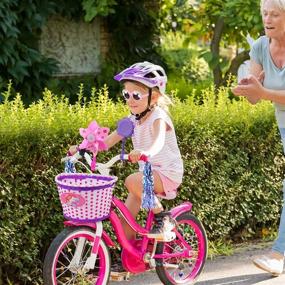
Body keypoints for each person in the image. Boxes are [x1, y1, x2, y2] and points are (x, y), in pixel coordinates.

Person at [69, 61, 184, 242]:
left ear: (153, 97)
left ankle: (164, 218)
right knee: (125, 222)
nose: (130, 100)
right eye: (126, 94)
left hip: (167, 172)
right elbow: (107, 142)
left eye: (136, 95)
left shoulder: (158, 117)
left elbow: (158, 141)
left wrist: (145, 151)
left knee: (131, 181)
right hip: (146, 175)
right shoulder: (132, 119)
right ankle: (128, 259)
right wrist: (83, 148)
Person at [232, 0, 285, 276]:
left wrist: (263, 92)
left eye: (275, 13)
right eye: (265, 13)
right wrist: (247, 88)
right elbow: (255, 97)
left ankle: (279, 253)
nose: (268, 18)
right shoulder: (260, 47)